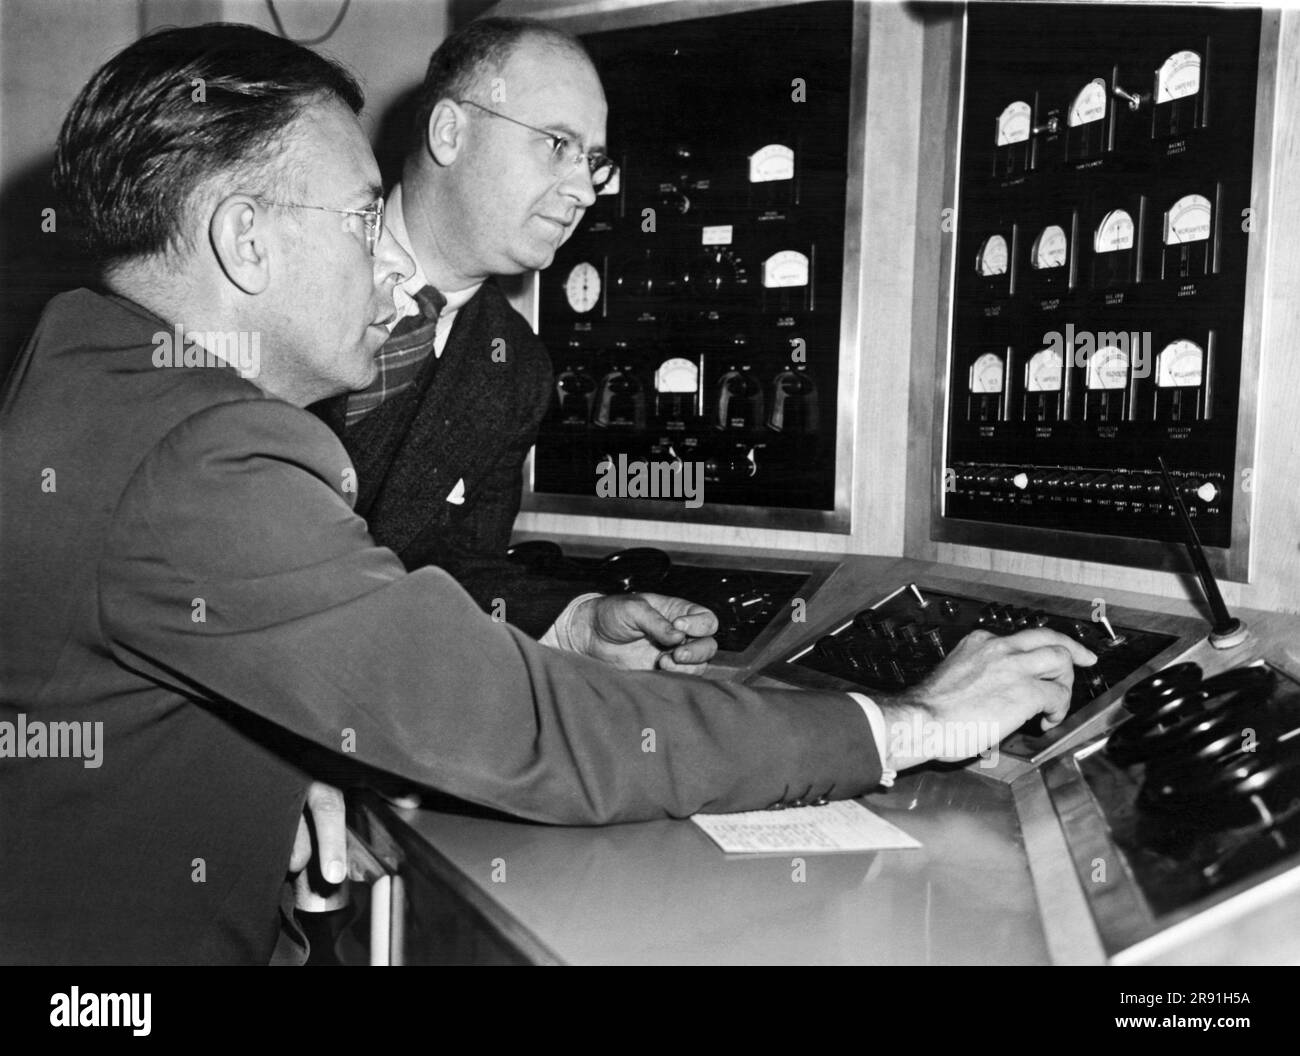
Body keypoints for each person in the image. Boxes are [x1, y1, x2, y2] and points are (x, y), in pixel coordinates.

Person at [0, 23, 1093, 965]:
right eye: (355, 220)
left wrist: (262, 775)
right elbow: (527, 724)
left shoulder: (81, 353)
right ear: (245, 238)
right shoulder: (206, 450)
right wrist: (905, 723)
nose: (386, 272)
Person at [312, 17, 684, 649]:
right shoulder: (292, 259)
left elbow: (456, 572)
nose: (584, 191)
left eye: (593, 160)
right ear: (451, 132)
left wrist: (576, 621)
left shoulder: (516, 371)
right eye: (558, 144)